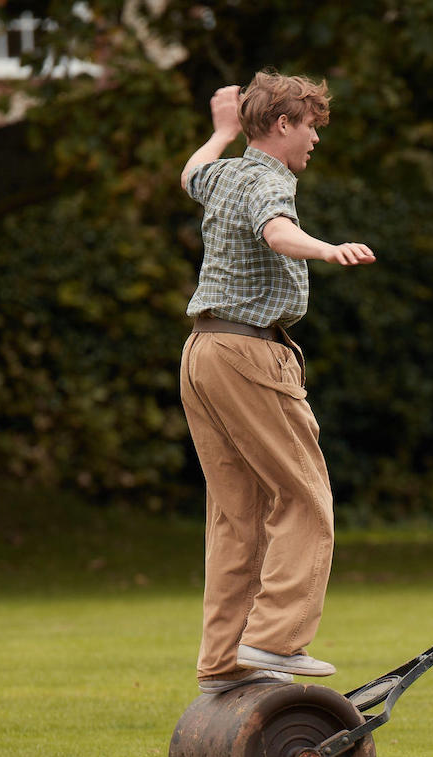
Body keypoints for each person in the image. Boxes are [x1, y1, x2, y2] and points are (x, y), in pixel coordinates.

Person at [178, 70, 375, 695]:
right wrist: (324, 248)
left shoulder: (227, 171)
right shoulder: (265, 178)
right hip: (250, 353)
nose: (316, 136)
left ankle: (223, 662)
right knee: (306, 499)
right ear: (283, 124)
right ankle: (274, 640)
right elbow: (276, 231)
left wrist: (220, 132)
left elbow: (189, 175)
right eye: (311, 124)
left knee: (237, 514)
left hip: (203, 350)